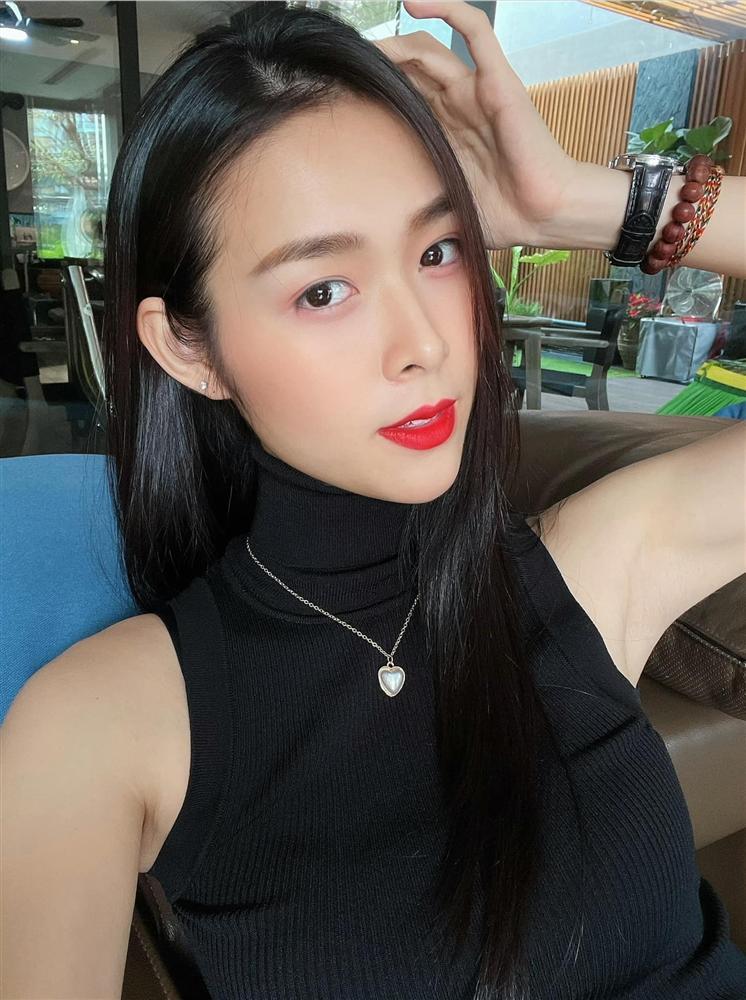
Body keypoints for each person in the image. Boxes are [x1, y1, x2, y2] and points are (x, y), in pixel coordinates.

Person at [2, 2, 745, 999]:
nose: (424, 343)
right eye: (323, 290)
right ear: (188, 347)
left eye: (438, 252)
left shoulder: (589, 570)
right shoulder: (99, 728)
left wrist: (574, 202)